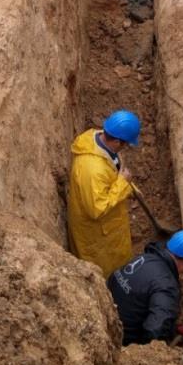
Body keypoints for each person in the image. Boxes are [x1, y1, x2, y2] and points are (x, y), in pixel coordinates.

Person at [67, 109, 140, 279]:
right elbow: (96, 209)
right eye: (126, 144)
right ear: (116, 142)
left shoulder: (99, 139)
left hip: (109, 225)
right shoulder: (92, 170)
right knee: (106, 272)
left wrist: (126, 184)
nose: (126, 148)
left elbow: (112, 171)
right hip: (96, 236)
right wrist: (122, 183)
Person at [108, 230, 183, 346]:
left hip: (108, 316)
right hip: (124, 338)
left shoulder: (146, 257)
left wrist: (172, 326)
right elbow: (156, 331)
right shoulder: (167, 286)